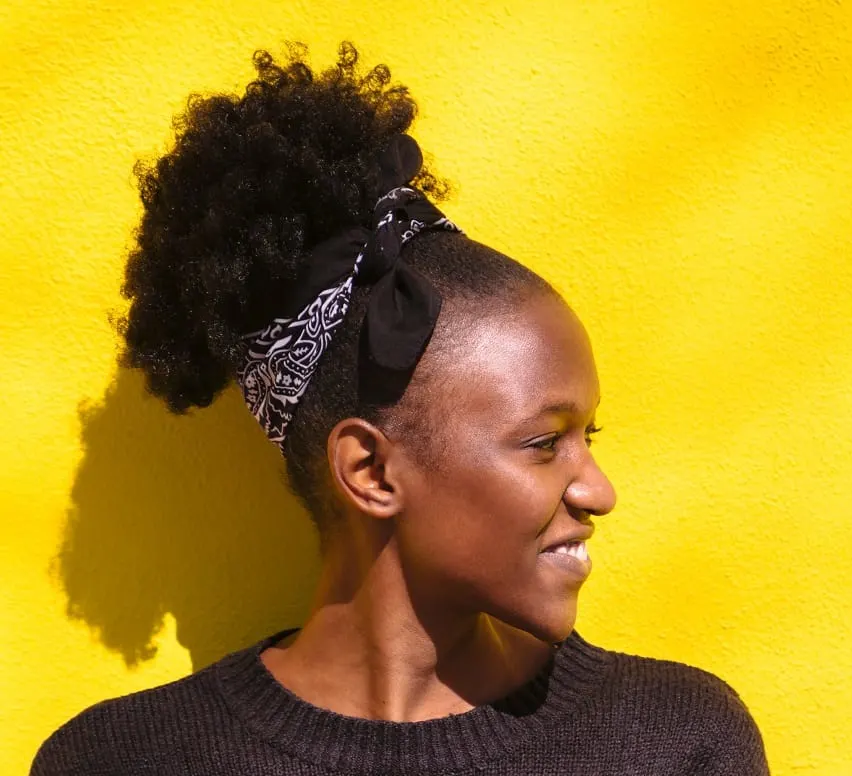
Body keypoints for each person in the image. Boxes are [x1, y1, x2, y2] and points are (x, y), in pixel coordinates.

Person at [32, 42, 769, 775]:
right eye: (546, 442)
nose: (599, 491)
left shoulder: (675, 743)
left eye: (589, 436)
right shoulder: (119, 761)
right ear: (371, 470)